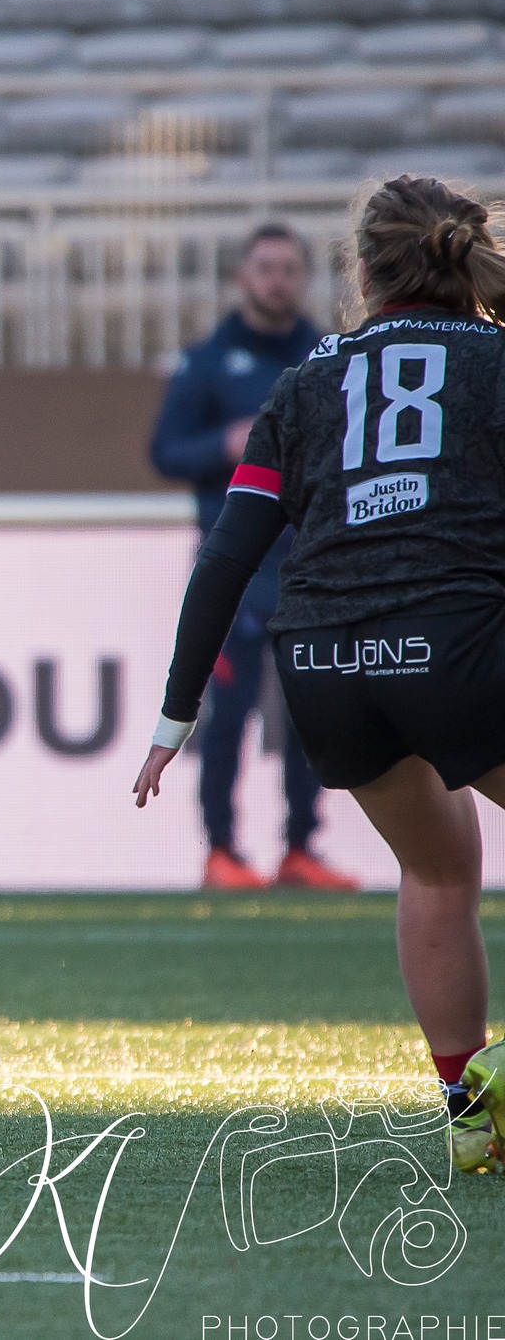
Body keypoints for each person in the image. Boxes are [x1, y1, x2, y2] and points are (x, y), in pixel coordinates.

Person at [134, 176, 505, 1174]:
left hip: (326, 662)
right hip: (458, 643)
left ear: (358, 271)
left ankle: (468, 1111)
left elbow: (224, 555)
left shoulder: (303, 381)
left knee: (434, 867)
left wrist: (175, 715)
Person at [150, 223, 357, 892]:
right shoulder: (208, 361)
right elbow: (165, 451)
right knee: (230, 717)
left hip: (310, 565)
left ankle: (301, 847)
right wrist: (224, 445)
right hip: (237, 570)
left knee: (310, 715)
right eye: (266, 268)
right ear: (242, 276)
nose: (279, 280)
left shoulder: (329, 356)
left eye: (290, 268)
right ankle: (222, 850)